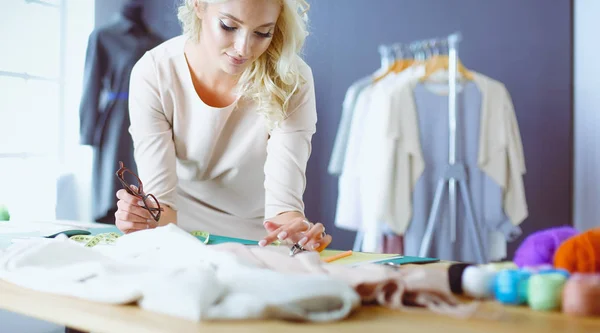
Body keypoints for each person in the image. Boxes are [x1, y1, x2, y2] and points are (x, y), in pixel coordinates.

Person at [114, 0, 332, 252]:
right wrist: (139, 219)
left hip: (258, 242)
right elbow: (161, 207)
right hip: (177, 234)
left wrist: (299, 232)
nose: (243, 48)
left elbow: (283, 209)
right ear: (198, 5)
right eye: (228, 26)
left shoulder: (292, 79)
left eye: (262, 33)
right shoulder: (155, 72)